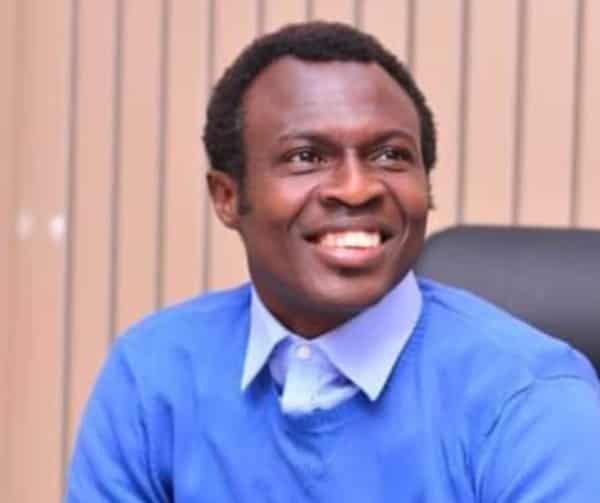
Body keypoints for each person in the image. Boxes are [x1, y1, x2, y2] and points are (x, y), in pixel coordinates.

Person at [65, 22, 600, 502]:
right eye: (306, 157)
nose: (357, 187)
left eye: (390, 155)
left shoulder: (531, 401)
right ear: (227, 197)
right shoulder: (153, 372)